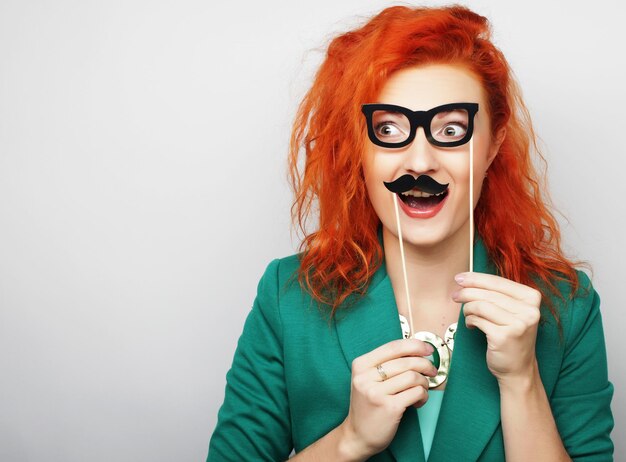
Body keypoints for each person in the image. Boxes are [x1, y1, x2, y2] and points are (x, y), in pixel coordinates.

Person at [207, 4, 614, 461]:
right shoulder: (288, 298)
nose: (420, 163)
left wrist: (522, 382)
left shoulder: (567, 306)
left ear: (494, 144)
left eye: (452, 129)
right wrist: (351, 440)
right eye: (388, 129)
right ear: (357, 147)